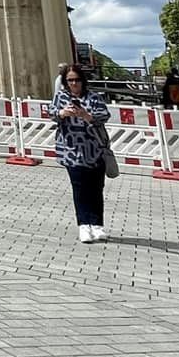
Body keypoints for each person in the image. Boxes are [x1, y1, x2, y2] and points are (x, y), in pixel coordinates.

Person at [50, 64, 112, 243]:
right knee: (79, 189)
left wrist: (86, 115)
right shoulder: (60, 97)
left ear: (83, 81)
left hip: (95, 150)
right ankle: (84, 225)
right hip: (71, 150)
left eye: (77, 80)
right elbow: (51, 114)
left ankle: (97, 225)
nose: (74, 83)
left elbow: (104, 116)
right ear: (65, 82)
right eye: (70, 80)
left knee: (96, 189)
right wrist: (62, 113)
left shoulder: (94, 97)